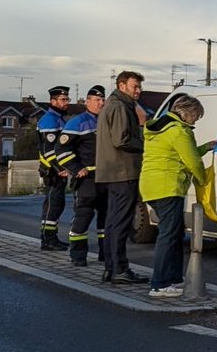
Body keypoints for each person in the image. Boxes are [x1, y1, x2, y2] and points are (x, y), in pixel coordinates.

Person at [139, 95, 216, 298]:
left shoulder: (160, 128)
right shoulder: (178, 132)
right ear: (187, 112)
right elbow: (192, 161)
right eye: (196, 116)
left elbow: (183, 152)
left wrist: (205, 147)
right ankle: (160, 284)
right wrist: (203, 180)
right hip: (168, 186)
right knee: (168, 235)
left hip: (152, 186)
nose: (196, 120)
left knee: (174, 232)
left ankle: (172, 278)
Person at [95, 71, 148, 284]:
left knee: (113, 222)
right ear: (122, 85)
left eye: (140, 87)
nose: (138, 91)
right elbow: (121, 140)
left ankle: (111, 268)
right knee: (120, 223)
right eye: (135, 86)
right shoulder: (119, 107)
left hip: (113, 171)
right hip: (123, 171)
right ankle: (119, 269)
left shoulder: (114, 105)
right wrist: (146, 144)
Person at [56, 85, 108, 267]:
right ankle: (78, 256)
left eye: (103, 100)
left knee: (107, 220)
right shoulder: (77, 122)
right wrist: (76, 168)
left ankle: (106, 254)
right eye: (97, 100)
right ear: (87, 102)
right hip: (86, 179)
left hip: (106, 178)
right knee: (83, 218)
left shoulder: (108, 120)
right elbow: (61, 150)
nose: (101, 103)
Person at [36, 85, 72, 251]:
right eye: (63, 100)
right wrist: (59, 168)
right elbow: (49, 150)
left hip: (57, 169)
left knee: (56, 203)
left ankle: (50, 237)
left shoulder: (59, 118)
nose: (66, 103)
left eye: (67, 99)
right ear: (53, 101)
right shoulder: (50, 120)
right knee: (53, 204)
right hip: (52, 170)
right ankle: (48, 240)